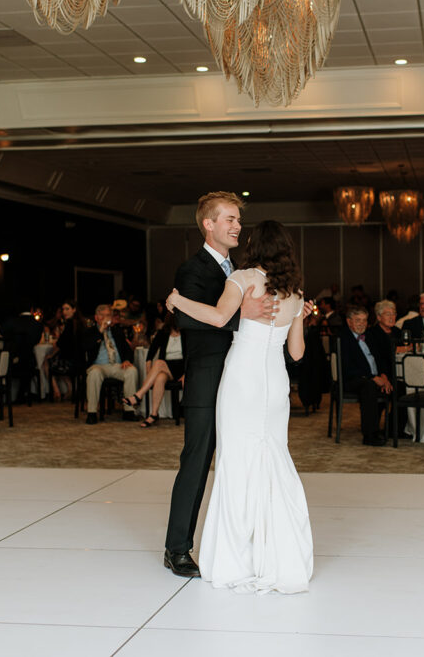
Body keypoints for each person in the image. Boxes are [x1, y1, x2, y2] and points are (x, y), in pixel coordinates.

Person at [166, 217, 313, 594]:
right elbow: (297, 353)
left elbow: (218, 317)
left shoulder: (243, 279)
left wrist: (177, 300)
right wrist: (300, 318)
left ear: (255, 247)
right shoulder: (295, 291)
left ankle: (239, 556)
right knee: (273, 457)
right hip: (276, 382)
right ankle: (277, 555)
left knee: (237, 462)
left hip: (242, 381)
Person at [162, 191, 276, 580]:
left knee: (241, 461)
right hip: (208, 380)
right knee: (196, 463)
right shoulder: (191, 271)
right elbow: (188, 321)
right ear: (208, 225)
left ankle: (236, 543)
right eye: (229, 219)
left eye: (238, 220)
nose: (237, 226)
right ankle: (177, 548)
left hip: (241, 378)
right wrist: (241, 313)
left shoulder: (242, 270)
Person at [341, 304, 405, 445]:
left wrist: (384, 376)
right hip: (353, 379)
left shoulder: (369, 336)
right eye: (358, 320)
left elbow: (380, 358)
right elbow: (348, 367)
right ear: (349, 321)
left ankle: (394, 429)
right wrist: (373, 378)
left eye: (364, 320)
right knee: (369, 387)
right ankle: (370, 435)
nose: (362, 324)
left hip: (374, 377)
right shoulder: (343, 339)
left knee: (400, 386)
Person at [125, 311, 184, 427]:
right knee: (160, 378)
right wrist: (149, 369)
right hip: (168, 368)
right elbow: (151, 351)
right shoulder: (163, 332)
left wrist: (187, 373)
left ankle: (138, 396)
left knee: (159, 363)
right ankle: (153, 414)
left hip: (181, 368)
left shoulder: (186, 333)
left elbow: (192, 356)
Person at [81, 304, 138, 423]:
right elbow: (85, 347)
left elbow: (128, 350)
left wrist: (127, 360)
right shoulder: (89, 332)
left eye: (108, 315)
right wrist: (100, 331)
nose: (106, 318)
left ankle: (129, 411)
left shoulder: (117, 331)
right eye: (103, 316)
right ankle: (92, 413)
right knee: (94, 374)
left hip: (116, 365)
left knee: (132, 371)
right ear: (96, 318)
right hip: (98, 366)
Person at [48, 300, 85, 402]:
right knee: (56, 360)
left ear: (74, 310)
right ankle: (70, 389)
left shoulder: (70, 324)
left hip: (72, 361)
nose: (64, 312)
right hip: (79, 359)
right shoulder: (80, 323)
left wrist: (50, 355)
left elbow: (60, 344)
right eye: (63, 309)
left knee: (46, 363)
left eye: (67, 309)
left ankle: (56, 391)